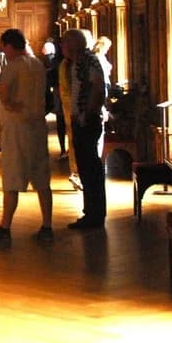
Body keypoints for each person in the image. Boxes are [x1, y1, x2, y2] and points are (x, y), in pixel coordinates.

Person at [0, 29, 54, 245]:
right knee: (42, 179)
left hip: (17, 128)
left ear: (10, 45)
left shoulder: (14, 65)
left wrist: (9, 104)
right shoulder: (38, 64)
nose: (3, 51)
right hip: (37, 127)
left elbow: (3, 88)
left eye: (4, 47)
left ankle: (5, 229)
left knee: (12, 179)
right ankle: (47, 226)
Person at [57, 29, 107, 229]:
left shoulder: (89, 61)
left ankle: (95, 215)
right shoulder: (78, 62)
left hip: (87, 121)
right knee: (86, 169)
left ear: (73, 45)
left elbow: (98, 87)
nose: (62, 47)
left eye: (64, 43)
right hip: (81, 120)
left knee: (90, 169)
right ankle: (91, 212)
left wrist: (88, 114)